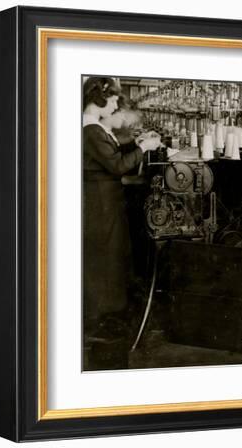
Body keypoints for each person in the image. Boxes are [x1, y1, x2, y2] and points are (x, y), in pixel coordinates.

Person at [82, 77, 160, 369]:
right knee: (105, 259)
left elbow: (113, 157)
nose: (115, 105)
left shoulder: (95, 129)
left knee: (109, 258)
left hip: (105, 200)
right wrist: (145, 147)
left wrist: (137, 144)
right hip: (100, 203)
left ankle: (105, 319)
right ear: (99, 99)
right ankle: (102, 324)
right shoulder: (90, 129)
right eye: (113, 100)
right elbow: (116, 166)